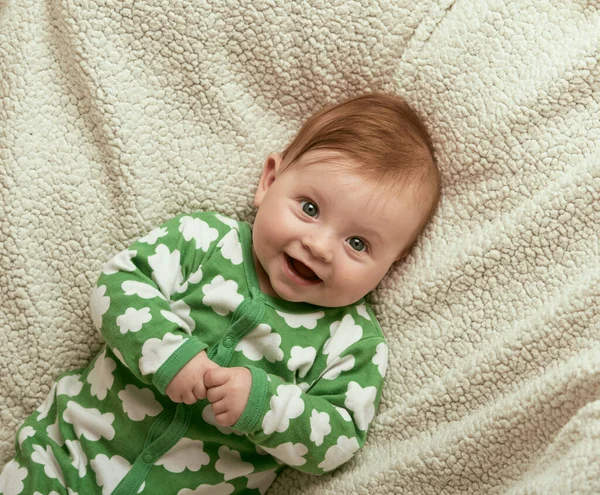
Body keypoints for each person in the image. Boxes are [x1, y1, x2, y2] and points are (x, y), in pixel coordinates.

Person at [0, 92, 441, 495]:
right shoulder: (204, 239)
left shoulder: (354, 341)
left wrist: (265, 406)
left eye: (358, 244)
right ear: (269, 180)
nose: (320, 247)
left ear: (392, 266)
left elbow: (340, 440)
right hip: (63, 457)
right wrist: (169, 352)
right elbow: (116, 285)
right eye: (309, 209)